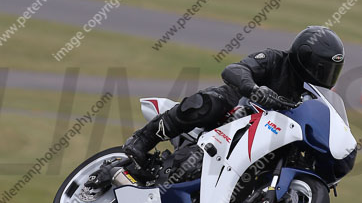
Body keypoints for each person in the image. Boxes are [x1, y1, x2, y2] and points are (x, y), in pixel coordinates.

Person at [123, 25, 345, 166]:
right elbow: (234, 70)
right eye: (321, 69)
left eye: (331, 71)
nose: (325, 76)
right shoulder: (274, 59)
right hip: (237, 117)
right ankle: (143, 140)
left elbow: (330, 123)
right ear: (303, 58)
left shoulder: (318, 96)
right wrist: (254, 90)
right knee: (211, 102)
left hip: (272, 138)